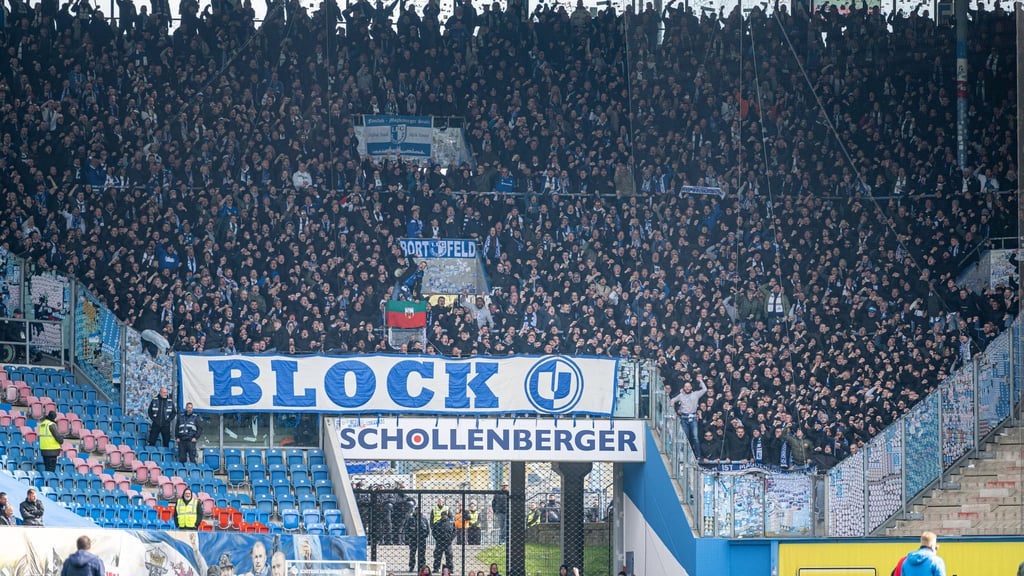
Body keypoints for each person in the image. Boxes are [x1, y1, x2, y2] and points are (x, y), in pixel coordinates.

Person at [667, 374, 708, 458]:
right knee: (685, 438)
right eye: (686, 386)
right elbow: (673, 399)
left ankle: (698, 455)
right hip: (684, 418)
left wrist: (700, 380)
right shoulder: (681, 395)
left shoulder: (696, 394)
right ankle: (685, 455)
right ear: (683, 387)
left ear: (691, 387)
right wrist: (672, 402)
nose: (687, 388)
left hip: (693, 418)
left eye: (689, 386)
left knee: (695, 437)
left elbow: (705, 389)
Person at [406, 505, 429, 572]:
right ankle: (411, 567)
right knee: (412, 554)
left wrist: (424, 536)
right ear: (415, 511)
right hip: (413, 539)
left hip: (422, 539)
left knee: (422, 554)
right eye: (416, 510)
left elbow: (427, 529)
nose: (417, 511)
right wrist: (409, 537)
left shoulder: (424, 519)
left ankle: (422, 567)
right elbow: (406, 529)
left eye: (419, 510)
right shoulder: (411, 518)